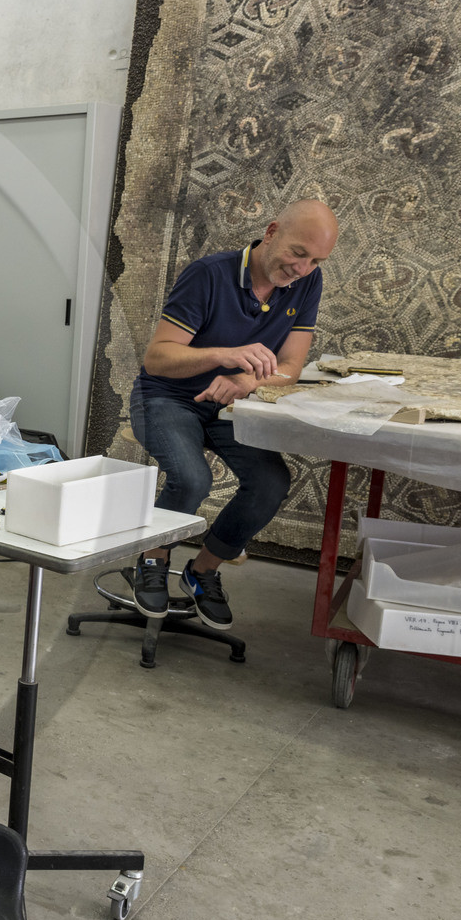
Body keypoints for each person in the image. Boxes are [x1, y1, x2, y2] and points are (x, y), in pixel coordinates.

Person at [130, 198, 339, 630]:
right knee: (192, 480)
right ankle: (151, 561)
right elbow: (157, 359)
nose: (303, 268)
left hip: (229, 404)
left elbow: (291, 366)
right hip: (167, 397)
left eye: (316, 260)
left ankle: (202, 572)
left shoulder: (307, 283)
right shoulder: (209, 275)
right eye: (298, 253)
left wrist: (249, 382)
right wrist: (224, 356)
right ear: (272, 230)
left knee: (270, 481)